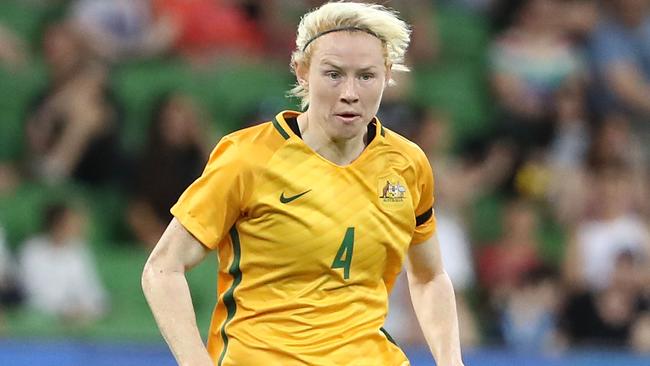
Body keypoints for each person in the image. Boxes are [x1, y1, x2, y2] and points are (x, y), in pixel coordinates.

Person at [142, 2, 464, 366]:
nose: (350, 93)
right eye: (333, 74)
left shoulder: (407, 164)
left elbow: (430, 277)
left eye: (366, 76)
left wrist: (451, 362)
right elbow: (163, 268)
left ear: (387, 75)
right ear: (301, 72)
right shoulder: (247, 157)